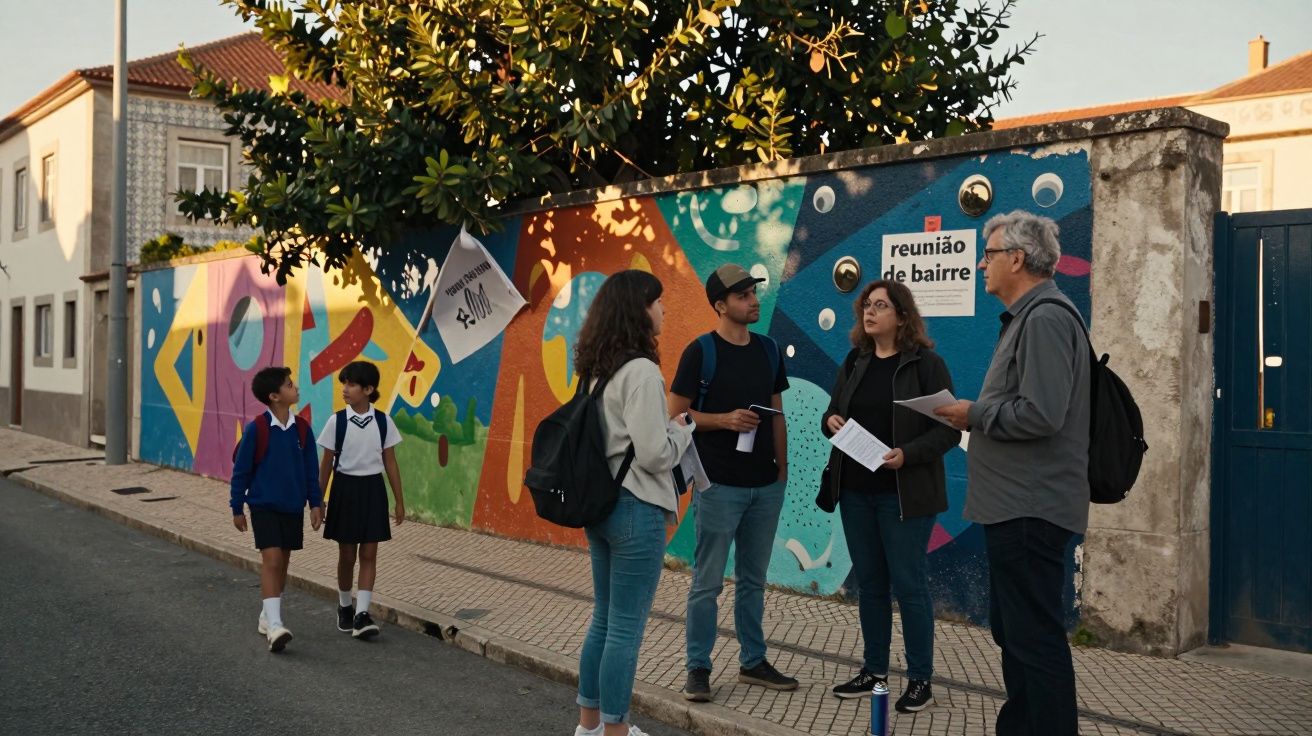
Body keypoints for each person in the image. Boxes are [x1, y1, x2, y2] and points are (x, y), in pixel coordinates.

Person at [935, 210, 1090, 736]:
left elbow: (1042, 414)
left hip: (1031, 507)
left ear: (1017, 259)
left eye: (989, 254)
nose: (981, 264)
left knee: (1035, 640)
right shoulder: (1031, 316)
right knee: (1016, 632)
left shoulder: (1045, 317)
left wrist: (972, 414)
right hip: (1016, 506)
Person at [819, 280, 959, 711]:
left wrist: (908, 455)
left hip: (905, 495)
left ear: (901, 315)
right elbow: (832, 411)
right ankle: (874, 671)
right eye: (866, 305)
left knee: (909, 585)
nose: (870, 311)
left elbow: (951, 429)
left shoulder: (926, 365)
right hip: (857, 493)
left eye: (880, 305)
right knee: (872, 585)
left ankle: (920, 681)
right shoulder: (856, 361)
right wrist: (832, 423)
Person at [571, 270, 694, 736]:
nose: (664, 310)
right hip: (636, 509)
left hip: (601, 506)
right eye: (658, 302)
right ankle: (616, 731)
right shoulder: (641, 371)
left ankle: (589, 726)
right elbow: (655, 453)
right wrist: (682, 433)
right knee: (626, 626)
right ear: (638, 310)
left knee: (603, 617)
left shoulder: (597, 368)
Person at [669, 263, 794, 702]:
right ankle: (698, 668)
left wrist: (783, 468)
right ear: (720, 305)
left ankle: (753, 662)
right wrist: (721, 420)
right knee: (707, 582)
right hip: (717, 484)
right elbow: (674, 415)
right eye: (742, 295)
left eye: (754, 292)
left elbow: (777, 410)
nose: (753, 300)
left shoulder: (769, 349)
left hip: (766, 484)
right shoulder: (700, 352)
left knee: (753, 580)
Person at [230, 366, 322, 653]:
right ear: (274, 396)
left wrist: (315, 503)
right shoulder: (256, 429)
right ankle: (274, 625)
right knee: (270, 560)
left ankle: (266, 615)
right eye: (289, 385)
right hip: (263, 506)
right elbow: (241, 471)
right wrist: (237, 507)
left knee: (282, 562)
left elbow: (310, 471)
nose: (295, 388)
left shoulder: (303, 429)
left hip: (292, 507)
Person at [317, 361, 405, 640]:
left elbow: (390, 461)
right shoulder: (336, 421)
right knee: (347, 555)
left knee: (369, 554)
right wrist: (318, 502)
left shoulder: (383, 421)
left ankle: (362, 613)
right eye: (345, 383)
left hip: (373, 490)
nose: (345, 389)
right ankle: (345, 605)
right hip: (345, 488)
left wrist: (399, 501)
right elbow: (326, 464)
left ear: (368, 389)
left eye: (352, 384)